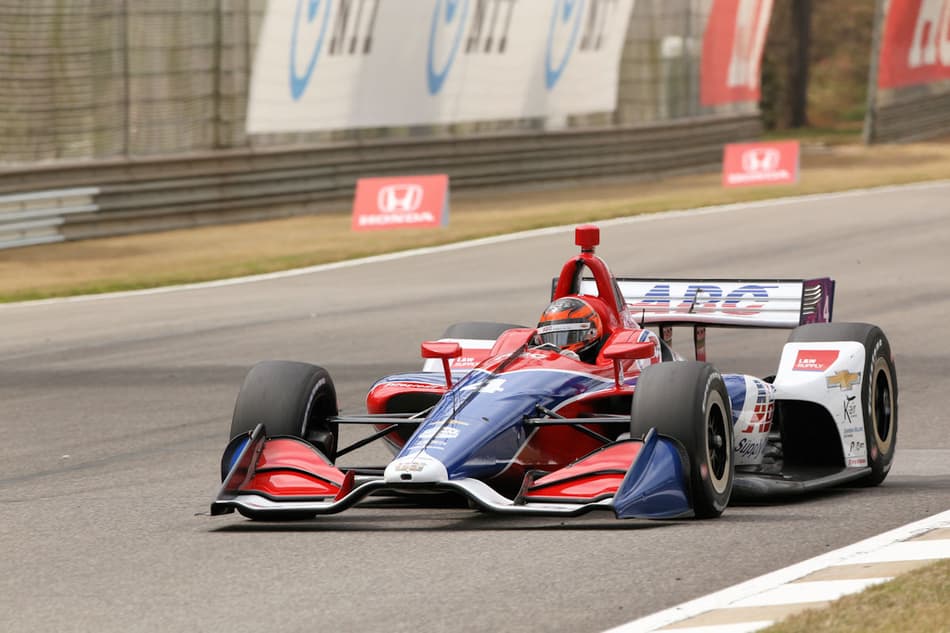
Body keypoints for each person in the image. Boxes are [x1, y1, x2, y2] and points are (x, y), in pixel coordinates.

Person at [535, 296, 605, 363]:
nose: (560, 347)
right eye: (551, 337)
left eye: (571, 336)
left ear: (592, 333)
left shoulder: (607, 359)